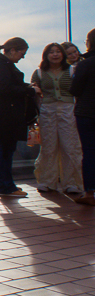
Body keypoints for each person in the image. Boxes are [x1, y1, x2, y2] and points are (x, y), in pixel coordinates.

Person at [0, 37, 36, 197]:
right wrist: (30, 90)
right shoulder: (2, 65)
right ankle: (5, 186)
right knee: (6, 150)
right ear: (12, 50)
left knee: (6, 149)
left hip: (2, 111)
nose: (22, 57)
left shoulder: (1, 64)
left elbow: (6, 86)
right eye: (21, 53)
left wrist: (26, 87)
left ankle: (6, 185)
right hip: (5, 112)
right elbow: (6, 88)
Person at [30, 43, 83, 194]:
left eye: (58, 52)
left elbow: (79, 90)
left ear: (63, 54)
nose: (55, 54)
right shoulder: (39, 72)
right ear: (45, 55)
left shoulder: (72, 70)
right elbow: (33, 90)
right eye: (51, 52)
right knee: (48, 146)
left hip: (68, 109)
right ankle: (47, 181)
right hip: (47, 110)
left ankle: (71, 183)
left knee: (70, 146)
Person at [70, 29, 95, 206]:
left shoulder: (85, 64)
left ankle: (89, 193)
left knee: (89, 152)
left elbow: (75, 90)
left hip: (87, 113)